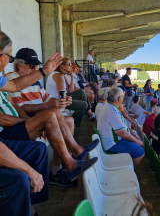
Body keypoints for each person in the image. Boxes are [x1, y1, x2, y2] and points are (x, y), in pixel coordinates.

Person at [0, 31, 97, 215]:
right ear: (7, 59)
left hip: (19, 123)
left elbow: (15, 96)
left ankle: (63, 166)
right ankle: (71, 161)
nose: (32, 69)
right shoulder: (10, 78)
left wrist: (44, 71)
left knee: (49, 134)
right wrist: (34, 121)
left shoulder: (7, 81)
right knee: (53, 114)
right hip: (7, 130)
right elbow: (5, 115)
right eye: (30, 66)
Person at [97, 87, 144, 168]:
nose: (123, 99)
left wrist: (133, 133)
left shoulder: (111, 106)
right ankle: (129, 172)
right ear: (119, 98)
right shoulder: (111, 111)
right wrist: (136, 140)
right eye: (122, 97)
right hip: (113, 144)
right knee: (140, 152)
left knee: (137, 145)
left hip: (115, 140)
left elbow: (123, 124)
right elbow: (122, 133)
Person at [46, 57, 96, 124]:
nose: (71, 66)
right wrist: (69, 99)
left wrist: (72, 76)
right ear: (63, 66)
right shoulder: (58, 75)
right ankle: (74, 124)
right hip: (56, 101)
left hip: (61, 98)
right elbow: (62, 95)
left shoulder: (62, 75)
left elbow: (70, 91)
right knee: (83, 105)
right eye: (69, 64)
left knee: (81, 92)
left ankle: (90, 114)